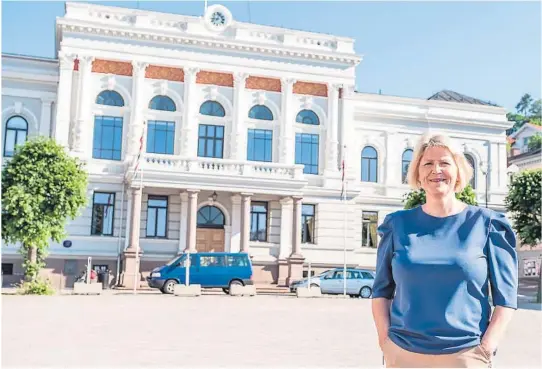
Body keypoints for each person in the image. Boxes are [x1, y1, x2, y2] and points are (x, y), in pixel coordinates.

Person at [371, 133, 518, 368]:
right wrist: (385, 342)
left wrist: (486, 348)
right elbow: (380, 292)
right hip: (404, 353)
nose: (435, 169)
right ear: (417, 173)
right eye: (427, 163)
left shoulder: (488, 224)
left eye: (444, 162)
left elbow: (506, 299)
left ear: (459, 170)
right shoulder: (397, 225)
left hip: (466, 355)